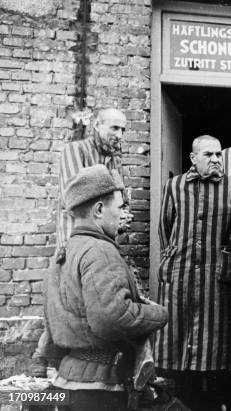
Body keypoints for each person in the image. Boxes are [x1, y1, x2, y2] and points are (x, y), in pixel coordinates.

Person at [45, 164, 168, 410]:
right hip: (100, 389)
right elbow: (111, 319)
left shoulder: (65, 252)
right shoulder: (100, 250)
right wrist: (159, 313)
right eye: (121, 206)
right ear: (99, 210)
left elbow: (51, 326)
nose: (124, 214)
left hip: (67, 381)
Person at [30, 108, 132, 378]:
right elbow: (79, 198)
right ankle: (43, 361)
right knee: (64, 300)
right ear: (97, 125)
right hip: (74, 239)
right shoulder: (75, 151)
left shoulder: (113, 160)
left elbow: (121, 197)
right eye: (113, 128)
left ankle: (84, 366)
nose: (119, 135)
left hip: (102, 239)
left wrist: (123, 213)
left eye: (122, 129)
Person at [155, 135, 231, 409]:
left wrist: (226, 261)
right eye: (208, 155)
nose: (216, 160)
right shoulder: (176, 186)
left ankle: (213, 402)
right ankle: (186, 401)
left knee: (216, 345)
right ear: (193, 158)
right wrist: (174, 258)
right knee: (180, 344)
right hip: (182, 276)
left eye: (219, 155)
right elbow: (165, 228)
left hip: (216, 279)